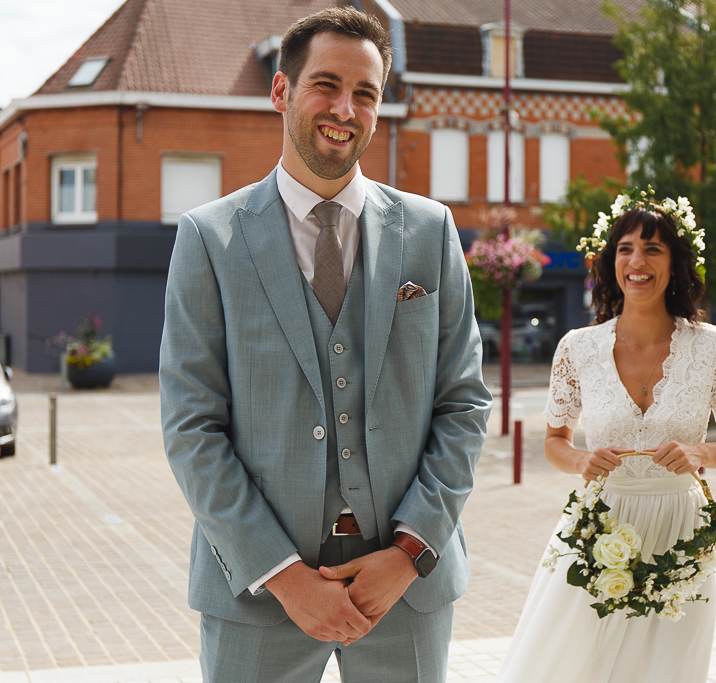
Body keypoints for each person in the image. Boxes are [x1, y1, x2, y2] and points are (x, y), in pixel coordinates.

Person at [159, 7, 491, 682]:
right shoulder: (208, 239)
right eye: (326, 84)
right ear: (280, 92)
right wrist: (285, 577)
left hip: (407, 589)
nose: (346, 108)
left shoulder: (430, 232)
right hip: (259, 591)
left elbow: (463, 404)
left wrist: (408, 552)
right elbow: (192, 427)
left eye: (365, 93)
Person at [495, 193, 716, 683]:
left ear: (676, 262)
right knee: (576, 663)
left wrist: (701, 451)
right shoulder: (578, 347)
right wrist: (579, 462)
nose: (637, 262)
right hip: (599, 527)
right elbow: (554, 439)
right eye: (626, 248)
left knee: (668, 668)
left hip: (683, 533)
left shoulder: (713, 346)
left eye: (653, 249)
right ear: (609, 260)